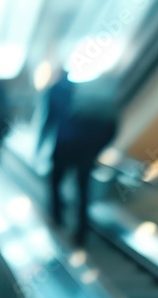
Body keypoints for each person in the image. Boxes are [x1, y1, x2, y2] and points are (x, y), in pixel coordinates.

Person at [39, 72, 117, 245]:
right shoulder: (89, 93)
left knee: (55, 182)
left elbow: (50, 118)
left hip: (65, 144)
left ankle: (57, 219)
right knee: (82, 191)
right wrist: (96, 151)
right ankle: (81, 234)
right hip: (87, 149)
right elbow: (112, 126)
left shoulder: (57, 90)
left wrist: (40, 145)